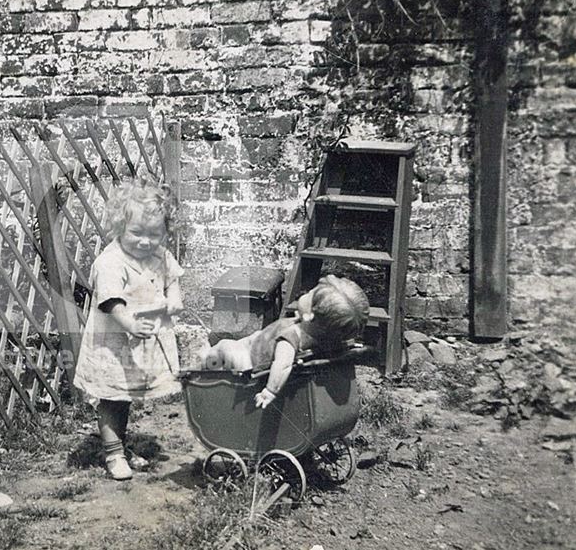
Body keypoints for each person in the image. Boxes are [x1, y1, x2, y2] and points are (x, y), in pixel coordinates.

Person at [72, 179, 183, 481]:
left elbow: (172, 279)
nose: (146, 242)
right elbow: (111, 302)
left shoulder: (160, 255)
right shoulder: (110, 261)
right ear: (120, 227)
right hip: (115, 340)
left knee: (126, 395)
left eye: (154, 234)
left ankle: (121, 444)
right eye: (137, 233)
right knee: (112, 396)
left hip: (143, 341)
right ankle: (113, 453)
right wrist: (131, 324)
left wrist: (174, 300)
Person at [202, 275, 369, 408]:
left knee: (224, 346)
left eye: (309, 294)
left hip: (251, 362)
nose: (305, 293)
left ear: (310, 315)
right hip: (262, 344)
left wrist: (270, 391)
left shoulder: (290, 338)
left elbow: (283, 365)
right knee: (251, 338)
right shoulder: (325, 335)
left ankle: (206, 377)